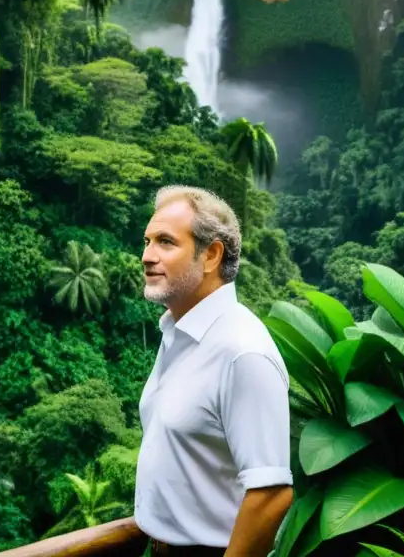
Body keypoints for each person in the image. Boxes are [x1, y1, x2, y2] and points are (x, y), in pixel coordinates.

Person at [133, 185, 294, 556]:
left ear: (211, 255)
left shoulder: (242, 351)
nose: (147, 255)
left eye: (165, 242)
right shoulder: (179, 331)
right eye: (147, 241)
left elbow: (271, 494)